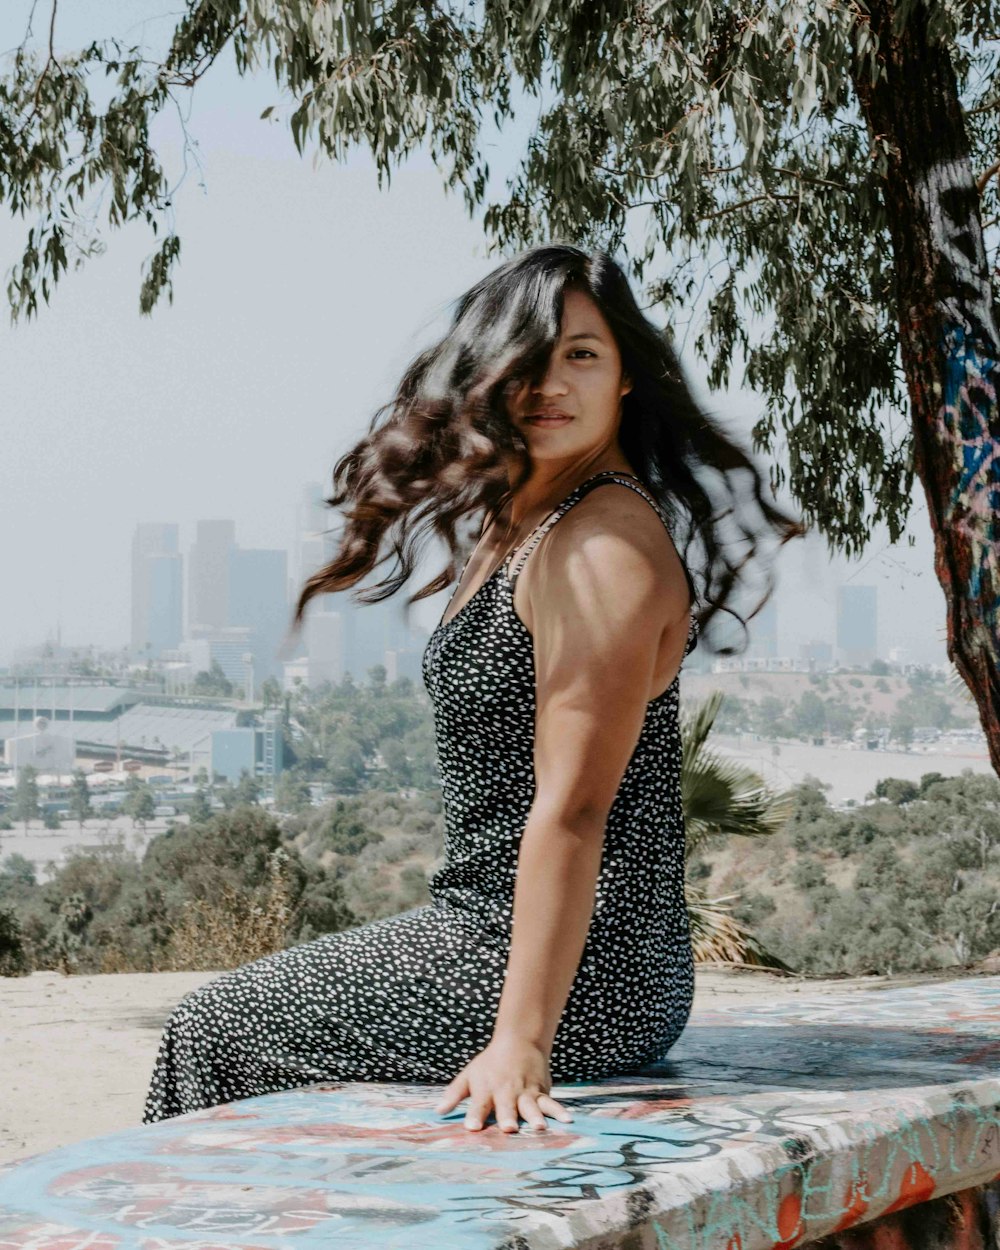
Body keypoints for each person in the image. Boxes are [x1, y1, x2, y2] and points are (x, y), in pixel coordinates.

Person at [142, 243, 803, 1135]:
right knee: (238, 1029)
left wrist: (521, 1042)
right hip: (500, 935)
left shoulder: (600, 547)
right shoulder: (530, 520)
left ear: (625, 379)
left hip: (587, 974)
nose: (549, 382)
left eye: (581, 354)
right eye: (526, 356)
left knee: (214, 1028)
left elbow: (573, 809)